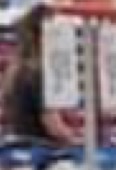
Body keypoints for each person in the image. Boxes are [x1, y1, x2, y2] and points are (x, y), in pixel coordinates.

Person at [1, 8, 79, 144]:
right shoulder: (37, 73)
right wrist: (79, 142)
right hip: (42, 147)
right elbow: (53, 126)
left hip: (22, 146)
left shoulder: (16, 68)